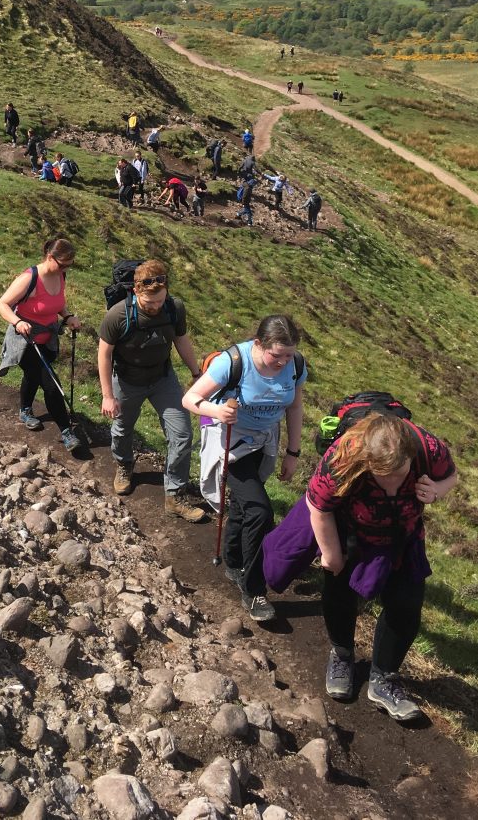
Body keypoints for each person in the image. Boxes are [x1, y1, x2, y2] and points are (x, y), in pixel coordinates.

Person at [304, 414, 455, 719]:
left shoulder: (428, 449)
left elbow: (451, 475)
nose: (392, 484)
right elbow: (317, 505)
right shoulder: (343, 457)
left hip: (405, 534)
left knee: (406, 605)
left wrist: (438, 490)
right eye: (381, 475)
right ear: (365, 460)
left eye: (399, 473)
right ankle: (342, 654)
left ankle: (384, 677)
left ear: (411, 456)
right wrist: (331, 554)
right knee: (340, 593)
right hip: (351, 531)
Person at [182, 314, 306, 622]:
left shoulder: (296, 365)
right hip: (230, 444)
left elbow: (295, 406)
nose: (283, 362)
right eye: (276, 355)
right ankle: (254, 590)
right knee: (260, 511)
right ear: (258, 343)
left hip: (264, 443)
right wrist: (217, 410)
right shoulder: (233, 362)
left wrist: (293, 452)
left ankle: (233, 560)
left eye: (288, 355)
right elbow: (190, 398)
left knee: (242, 505)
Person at [99, 260, 206, 519]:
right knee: (122, 429)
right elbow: (104, 354)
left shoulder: (174, 308)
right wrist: (107, 396)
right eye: (150, 303)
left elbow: (181, 340)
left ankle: (174, 495)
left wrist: (196, 374)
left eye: (160, 301)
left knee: (182, 434)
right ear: (136, 291)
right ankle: (124, 465)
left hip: (162, 378)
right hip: (126, 380)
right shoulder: (118, 314)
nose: (156, 307)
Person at [0, 238, 82, 451]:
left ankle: (25, 410)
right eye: (63, 264)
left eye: (69, 265)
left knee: (33, 376)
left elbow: (57, 303)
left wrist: (68, 316)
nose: (66, 269)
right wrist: (18, 321)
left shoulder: (60, 275)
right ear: (50, 257)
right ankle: (67, 431)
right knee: (51, 384)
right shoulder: (29, 278)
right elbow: (2, 304)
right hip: (25, 341)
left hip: (48, 339)